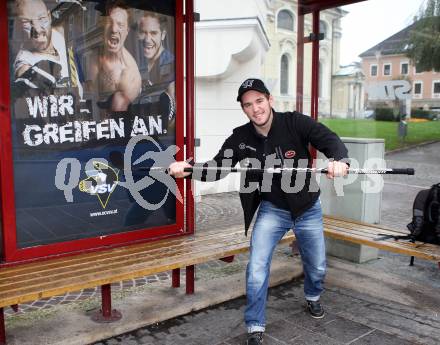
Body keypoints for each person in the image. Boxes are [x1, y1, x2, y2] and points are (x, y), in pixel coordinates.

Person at [168, 78, 349, 345]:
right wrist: (189, 169)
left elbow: (329, 139)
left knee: (318, 266)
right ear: (244, 109)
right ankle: (255, 325)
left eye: (259, 101)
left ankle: (313, 296)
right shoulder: (240, 138)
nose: (256, 109)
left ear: (270, 100)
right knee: (256, 268)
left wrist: (338, 160)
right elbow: (218, 167)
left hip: (307, 207)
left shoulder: (295, 122)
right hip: (272, 209)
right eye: (248, 105)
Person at [12, 0, 78, 93]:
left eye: (42, 18)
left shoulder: (59, 36)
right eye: (26, 22)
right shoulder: (24, 60)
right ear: (19, 26)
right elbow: (23, 71)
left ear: (49, 17)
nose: (37, 29)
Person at [88, 2, 141, 112]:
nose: (114, 29)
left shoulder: (129, 74)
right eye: (109, 22)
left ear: (127, 31)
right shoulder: (95, 56)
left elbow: (118, 120)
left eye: (120, 25)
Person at [135, 11, 175, 130]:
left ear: (162, 35)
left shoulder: (172, 64)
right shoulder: (138, 65)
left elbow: (173, 120)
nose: (148, 39)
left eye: (153, 33)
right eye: (143, 33)